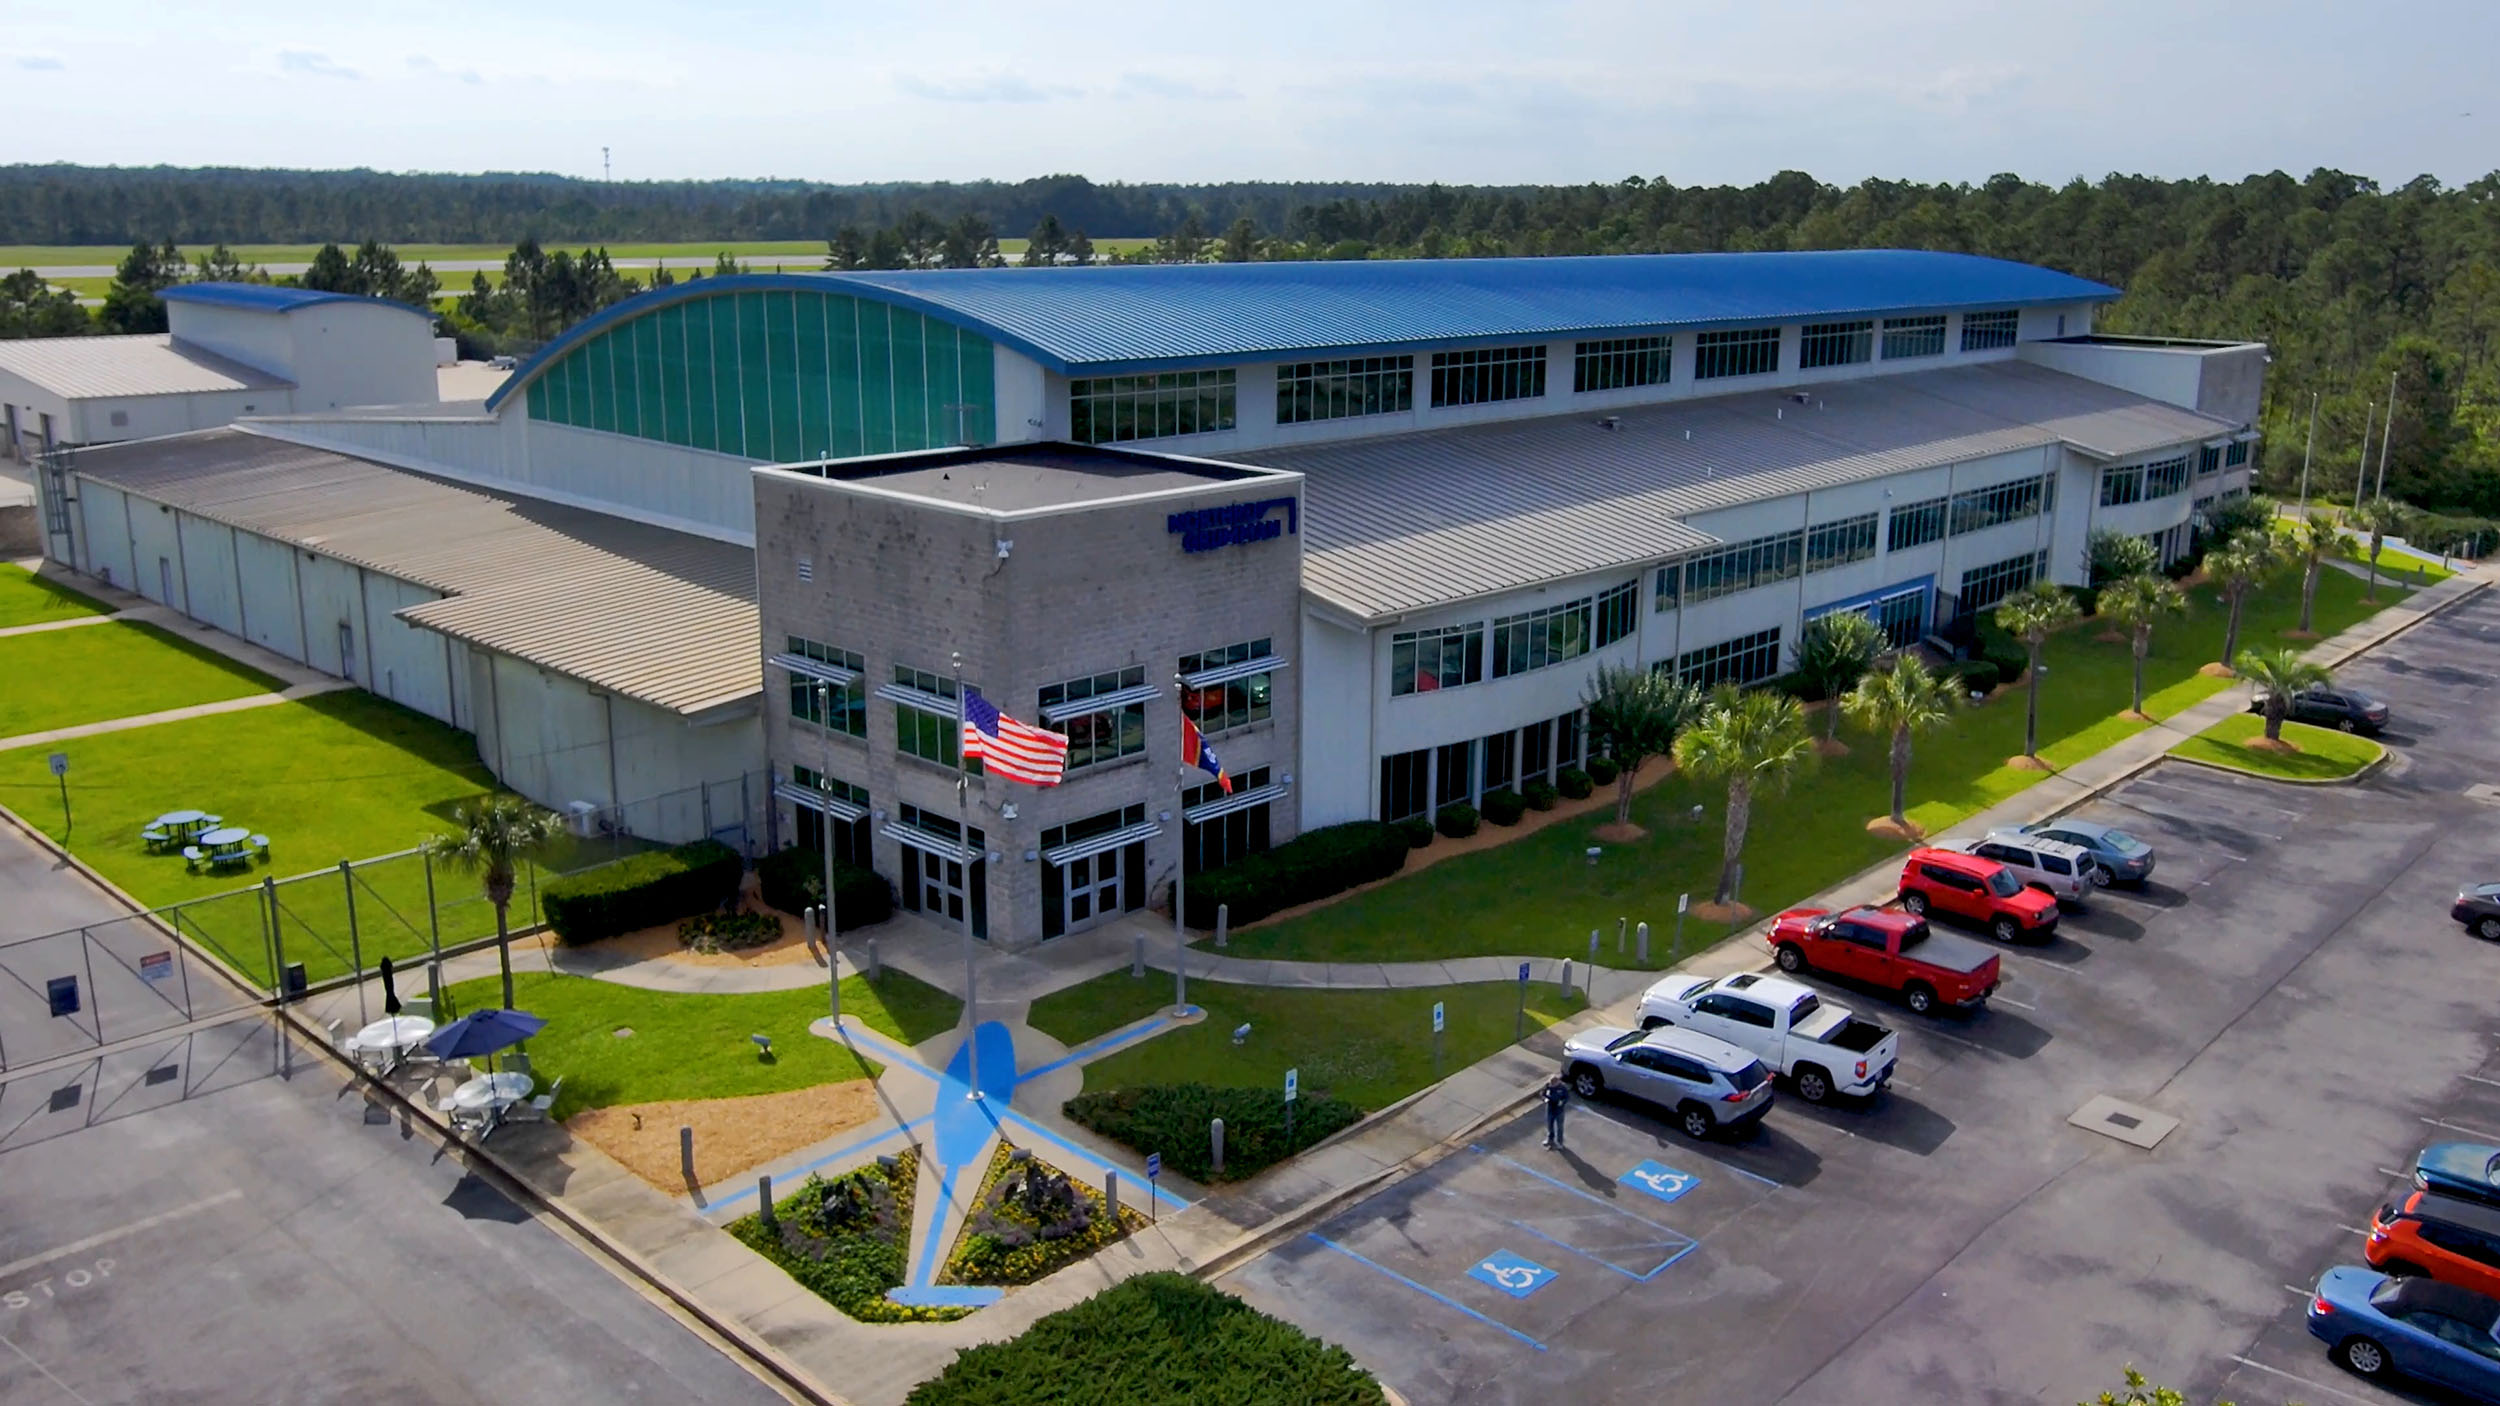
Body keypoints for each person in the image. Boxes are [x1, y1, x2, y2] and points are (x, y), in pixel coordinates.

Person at [1542, 1073, 1570, 1150]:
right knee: (1549, 1125)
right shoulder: (1548, 1086)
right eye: (1551, 1084)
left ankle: (1559, 1142)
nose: (1552, 1086)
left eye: (1553, 1084)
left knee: (1559, 1127)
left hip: (1559, 1110)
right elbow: (1542, 1094)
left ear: (1557, 1082)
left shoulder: (1563, 1088)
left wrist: (1562, 1102)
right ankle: (1549, 1139)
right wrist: (1545, 1099)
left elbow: (1567, 1097)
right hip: (1550, 1108)